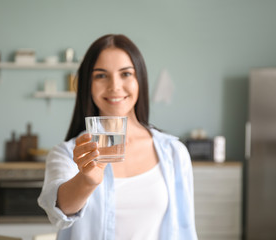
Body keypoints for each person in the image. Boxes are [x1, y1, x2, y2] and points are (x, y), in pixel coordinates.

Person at [38, 34, 198, 240]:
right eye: (101, 75)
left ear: (139, 80)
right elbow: (59, 213)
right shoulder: (68, 153)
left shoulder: (174, 152)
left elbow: (185, 231)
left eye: (126, 74)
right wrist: (86, 180)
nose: (114, 86)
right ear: (88, 84)